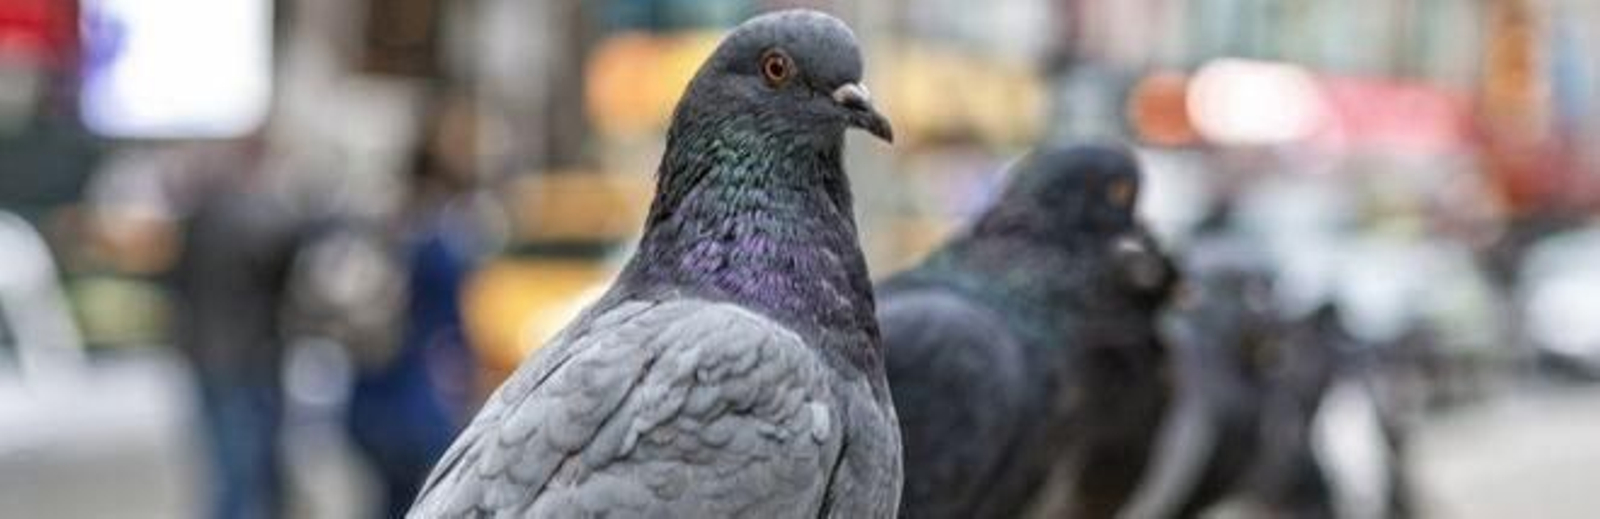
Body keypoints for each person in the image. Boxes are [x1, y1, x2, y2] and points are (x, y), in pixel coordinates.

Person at [344, 94, 486, 518]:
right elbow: (448, 319)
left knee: (391, 499)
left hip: (375, 388)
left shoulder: (393, 218)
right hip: (413, 392)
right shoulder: (441, 228)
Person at [170, 138, 301, 519]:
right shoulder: (254, 216)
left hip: (211, 356)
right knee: (243, 471)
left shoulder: (200, 217)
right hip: (245, 359)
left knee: (231, 469)